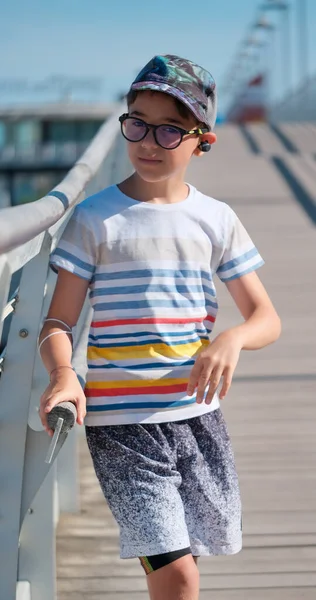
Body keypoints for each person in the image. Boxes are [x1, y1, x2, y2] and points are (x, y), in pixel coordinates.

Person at [38, 54, 281, 600]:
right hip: (122, 427)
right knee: (176, 572)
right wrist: (62, 374)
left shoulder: (215, 218)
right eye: (138, 124)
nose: (149, 141)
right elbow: (58, 320)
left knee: (184, 561)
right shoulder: (95, 218)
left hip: (197, 419)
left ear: (203, 139)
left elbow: (266, 318)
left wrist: (232, 338)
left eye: (170, 129)